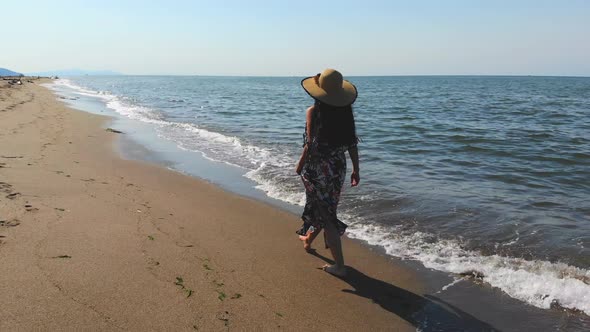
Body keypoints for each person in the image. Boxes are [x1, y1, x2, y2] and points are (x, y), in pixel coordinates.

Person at [295, 68, 360, 277]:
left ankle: (339, 266)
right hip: (337, 168)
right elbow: (351, 144)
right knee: (325, 207)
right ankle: (309, 239)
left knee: (327, 214)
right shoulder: (346, 114)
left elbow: (310, 144)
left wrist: (299, 165)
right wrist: (356, 169)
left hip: (317, 169)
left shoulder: (313, 112)